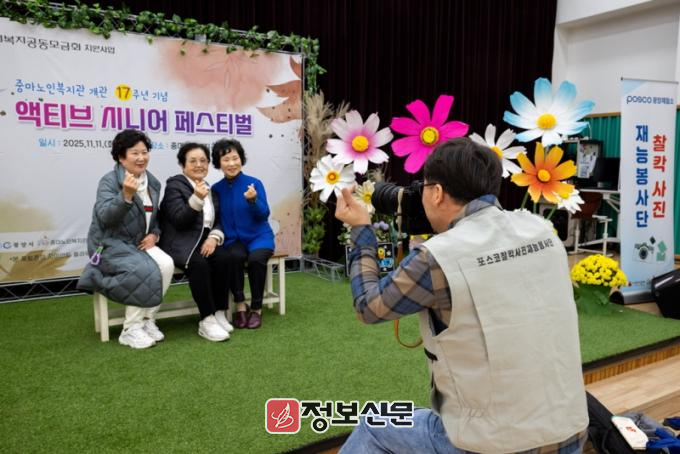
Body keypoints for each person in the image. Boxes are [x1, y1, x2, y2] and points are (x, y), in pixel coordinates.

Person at [335, 137, 588, 453]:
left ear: (437, 193)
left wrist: (361, 229)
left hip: (491, 444)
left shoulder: (437, 257)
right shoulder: (541, 230)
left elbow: (368, 307)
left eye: (424, 187)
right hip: (570, 430)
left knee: (374, 424)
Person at [77, 129, 174, 350]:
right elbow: (105, 218)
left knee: (166, 264)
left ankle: (147, 319)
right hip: (109, 243)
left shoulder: (153, 183)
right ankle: (130, 329)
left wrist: (155, 234)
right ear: (121, 157)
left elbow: (156, 218)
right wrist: (126, 195)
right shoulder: (109, 181)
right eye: (134, 153)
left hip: (139, 243)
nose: (141, 158)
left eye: (144, 152)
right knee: (142, 268)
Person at [158, 143, 235, 342]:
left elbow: (217, 220)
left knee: (225, 258)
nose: (199, 165)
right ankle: (206, 319)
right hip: (180, 242)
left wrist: (213, 237)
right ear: (182, 165)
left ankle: (219, 312)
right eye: (192, 161)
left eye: (203, 161)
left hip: (204, 240)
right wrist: (196, 198)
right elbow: (179, 220)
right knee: (199, 264)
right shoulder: (174, 186)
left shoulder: (209, 188)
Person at [211, 139, 274, 329]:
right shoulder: (216, 189)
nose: (231, 163)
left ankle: (256, 309)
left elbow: (264, 214)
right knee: (233, 257)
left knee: (256, 260)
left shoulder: (254, 183)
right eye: (226, 160)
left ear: (241, 159)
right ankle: (240, 306)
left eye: (235, 158)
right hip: (234, 239)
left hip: (259, 237)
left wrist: (253, 200)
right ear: (218, 163)